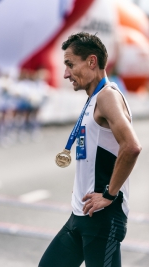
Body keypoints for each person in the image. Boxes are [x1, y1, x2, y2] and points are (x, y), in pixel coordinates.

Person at [38, 32, 142, 267]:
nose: (66, 73)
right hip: (80, 216)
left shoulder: (107, 97)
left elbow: (132, 146)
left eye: (70, 64)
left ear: (92, 61)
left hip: (102, 219)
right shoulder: (94, 98)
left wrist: (108, 194)